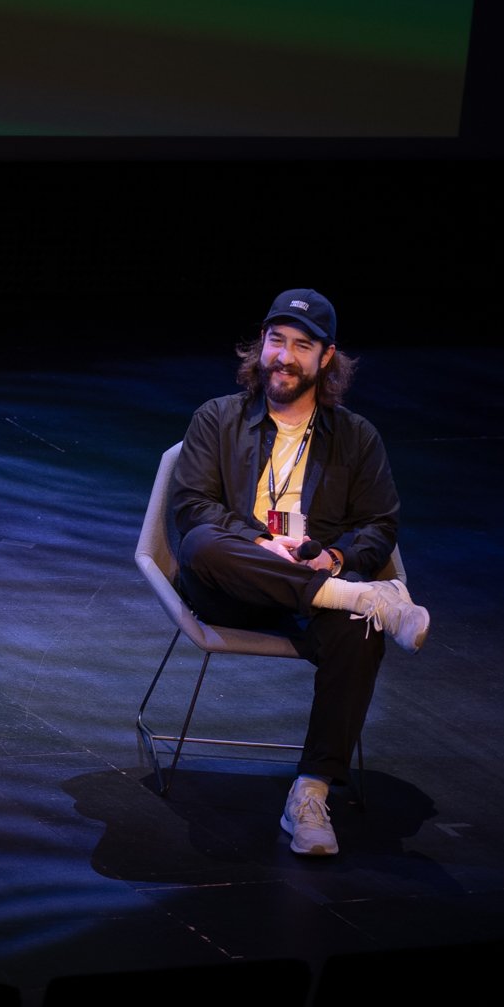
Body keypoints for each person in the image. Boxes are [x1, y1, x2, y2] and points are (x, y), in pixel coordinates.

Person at [170, 288, 430, 857]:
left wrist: (334, 559)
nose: (284, 357)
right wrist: (266, 545)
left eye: (301, 346)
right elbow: (191, 508)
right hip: (231, 584)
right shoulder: (216, 418)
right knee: (203, 544)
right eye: (276, 341)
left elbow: (379, 525)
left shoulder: (357, 438)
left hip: (308, 598)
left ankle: (310, 794)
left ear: (326, 357)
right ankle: (357, 597)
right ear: (260, 345)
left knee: (360, 630)